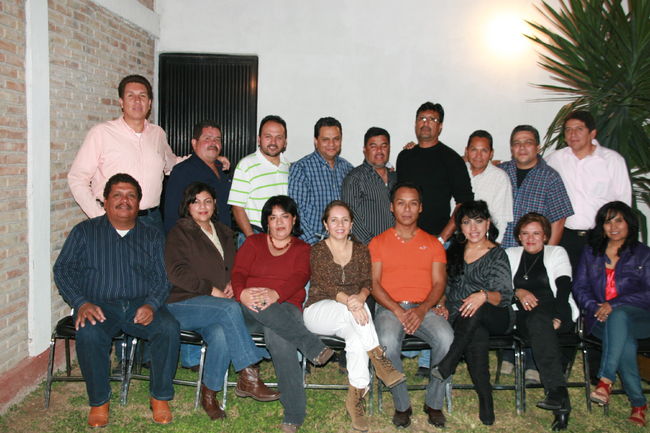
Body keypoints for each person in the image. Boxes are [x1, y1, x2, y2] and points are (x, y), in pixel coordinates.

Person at [53, 173, 180, 427]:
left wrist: (152, 304)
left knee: (168, 328)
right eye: (118, 195)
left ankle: (160, 397)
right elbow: (63, 270)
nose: (125, 200)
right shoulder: (84, 231)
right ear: (105, 201)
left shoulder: (152, 235)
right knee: (89, 333)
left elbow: (163, 277)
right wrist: (80, 302)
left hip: (140, 303)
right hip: (99, 305)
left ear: (139, 203)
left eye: (131, 196)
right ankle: (99, 402)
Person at [165, 182, 279, 420]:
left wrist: (231, 284)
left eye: (207, 201)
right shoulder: (180, 232)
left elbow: (236, 268)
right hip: (183, 303)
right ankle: (249, 374)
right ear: (187, 206)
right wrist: (211, 290)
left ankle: (209, 395)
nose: (202, 206)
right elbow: (177, 272)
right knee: (229, 309)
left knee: (221, 334)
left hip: (216, 307)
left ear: (215, 204)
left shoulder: (225, 232)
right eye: (196, 202)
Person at [231, 195, 334, 433]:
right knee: (257, 301)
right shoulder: (253, 243)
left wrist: (275, 294)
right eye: (273, 217)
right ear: (266, 221)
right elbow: (238, 272)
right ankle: (312, 347)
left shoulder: (303, 248)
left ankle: (294, 412)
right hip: (249, 308)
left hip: (286, 306)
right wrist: (242, 293)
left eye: (284, 217)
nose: (279, 223)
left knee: (278, 337)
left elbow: (300, 276)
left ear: (294, 220)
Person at [303, 200, 405, 432]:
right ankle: (379, 359)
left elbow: (367, 282)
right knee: (358, 308)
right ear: (325, 224)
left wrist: (359, 297)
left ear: (351, 224)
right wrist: (352, 302)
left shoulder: (360, 250)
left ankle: (356, 398)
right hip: (318, 312)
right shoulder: (317, 250)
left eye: (345, 220)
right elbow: (326, 285)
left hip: (351, 315)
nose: (340, 225)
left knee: (357, 341)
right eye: (334, 220)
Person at [369, 182, 454, 428]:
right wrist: (398, 310)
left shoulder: (434, 244)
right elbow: (373, 284)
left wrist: (422, 309)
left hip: (424, 308)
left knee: (447, 339)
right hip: (389, 308)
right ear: (391, 207)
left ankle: (434, 403)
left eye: (413, 203)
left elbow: (439, 283)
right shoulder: (378, 243)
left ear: (420, 208)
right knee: (386, 341)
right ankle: (402, 404)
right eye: (401, 203)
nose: (407, 209)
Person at [429, 200, 514, 426]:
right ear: (460, 227)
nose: (473, 228)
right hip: (462, 318)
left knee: (475, 307)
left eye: (478, 221)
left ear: (488, 223)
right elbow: (445, 288)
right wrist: (441, 304)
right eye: (466, 222)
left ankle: (449, 361)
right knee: (476, 334)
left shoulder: (497, 254)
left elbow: (506, 295)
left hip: (496, 313)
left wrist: (483, 295)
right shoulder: (454, 252)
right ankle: (486, 398)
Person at [572, 201, 650, 427]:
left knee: (619, 316)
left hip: (639, 318)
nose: (613, 227)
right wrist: (595, 307)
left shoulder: (643, 254)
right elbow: (579, 287)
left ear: (629, 224)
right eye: (607, 222)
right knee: (624, 340)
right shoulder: (591, 252)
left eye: (618, 221)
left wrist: (614, 304)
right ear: (601, 226)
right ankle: (638, 404)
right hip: (599, 318)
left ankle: (605, 379)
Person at [505, 213, 579, 431]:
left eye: (536, 233)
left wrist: (560, 317)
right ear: (519, 236)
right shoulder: (510, 254)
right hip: (523, 316)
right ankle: (558, 394)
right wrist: (518, 291)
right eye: (525, 233)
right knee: (538, 322)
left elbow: (564, 288)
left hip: (556, 310)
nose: (530, 238)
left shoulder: (557, 252)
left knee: (540, 323)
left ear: (545, 236)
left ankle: (557, 394)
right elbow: (501, 288)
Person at [546, 110, 632, 273]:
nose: (573, 134)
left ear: (592, 133)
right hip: (565, 237)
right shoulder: (555, 159)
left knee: (600, 281)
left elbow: (623, 203)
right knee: (566, 281)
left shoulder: (612, 160)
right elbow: (531, 170)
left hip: (600, 236)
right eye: (568, 129)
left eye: (579, 129)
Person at [396, 102, 473, 243]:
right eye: (422, 118)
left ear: (440, 126)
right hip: (405, 239)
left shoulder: (452, 159)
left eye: (433, 119)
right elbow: (398, 198)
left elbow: (464, 203)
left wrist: (442, 238)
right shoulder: (404, 157)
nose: (426, 123)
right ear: (415, 123)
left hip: (438, 239)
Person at [498, 125, 573, 249]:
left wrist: (546, 254)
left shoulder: (550, 177)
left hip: (532, 251)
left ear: (537, 148)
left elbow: (558, 221)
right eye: (517, 143)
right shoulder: (500, 172)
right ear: (512, 148)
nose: (522, 147)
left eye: (528, 142)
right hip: (499, 251)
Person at [288, 117, 353, 245]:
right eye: (325, 139)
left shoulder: (348, 169)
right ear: (316, 141)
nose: (331, 144)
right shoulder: (301, 169)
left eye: (336, 139)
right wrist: (315, 246)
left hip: (344, 244)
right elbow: (297, 211)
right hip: (313, 243)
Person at [228, 115, 290, 246]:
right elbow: (237, 207)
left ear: (285, 142)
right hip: (254, 235)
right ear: (259, 139)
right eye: (268, 136)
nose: (273, 142)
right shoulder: (246, 165)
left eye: (279, 137)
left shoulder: (289, 167)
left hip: (282, 237)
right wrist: (252, 239)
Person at [163, 120, 232, 233]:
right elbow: (172, 216)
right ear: (194, 143)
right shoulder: (182, 171)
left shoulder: (223, 169)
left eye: (217, 139)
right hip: (196, 239)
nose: (213, 143)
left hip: (224, 237)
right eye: (207, 138)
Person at [341, 127, 397, 244]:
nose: (379, 151)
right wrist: (373, 245)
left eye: (384, 146)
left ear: (389, 148)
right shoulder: (354, 178)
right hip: (369, 249)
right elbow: (352, 218)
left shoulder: (396, 177)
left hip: (397, 246)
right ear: (364, 149)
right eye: (373, 147)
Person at [464, 130, 513, 243]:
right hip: (456, 239)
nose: (478, 155)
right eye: (474, 150)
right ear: (466, 151)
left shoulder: (500, 178)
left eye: (484, 150)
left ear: (491, 153)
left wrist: (493, 247)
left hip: (485, 241)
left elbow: (501, 220)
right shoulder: (458, 171)